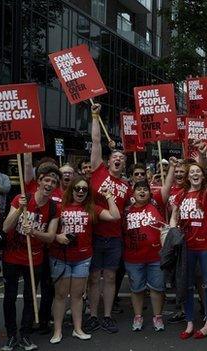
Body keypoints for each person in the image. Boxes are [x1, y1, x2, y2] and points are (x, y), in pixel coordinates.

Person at [49, 176, 120, 344]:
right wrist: (57, 236)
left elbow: (115, 216)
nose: (80, 191)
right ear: (71, 189)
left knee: (77, 295)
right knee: (60, 295)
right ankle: (57, 331)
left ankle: (78, 328)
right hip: (61, 256)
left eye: (84, 189)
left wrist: (109, 196)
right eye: (77, 188)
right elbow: (48, 231)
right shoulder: (59, 207)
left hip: (82, 258)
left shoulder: (91, 208)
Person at [1, 164, 61, 351]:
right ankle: (11, 335)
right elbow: (5, 227)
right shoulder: (21, 198)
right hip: (12, 257)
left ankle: (25, 334)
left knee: (30, 297)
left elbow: (51, 236)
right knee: (9, 297)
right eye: (47, 180)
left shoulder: (54, 208)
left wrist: (33, 231)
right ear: (39, 181)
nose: (50, 184)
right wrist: (20, 209)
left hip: (34, 258)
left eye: (53, 182)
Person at [85, 103, 132, 334]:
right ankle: (93, 315)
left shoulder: (126, 186)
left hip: (114, 238)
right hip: (93, 235)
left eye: (121, 158)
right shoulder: (98, 171)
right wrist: (95, 116)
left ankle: (106, 315)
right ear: (108, 160)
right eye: (115, 156)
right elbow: (96, 142)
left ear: (124, 164)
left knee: (111, 278)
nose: (118, 159)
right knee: (94, 278)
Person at [170, 153, 207, 340]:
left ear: (203, 175)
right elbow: (174, 215)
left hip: (206, 246)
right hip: (187, 246)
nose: (195, 174)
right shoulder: (181, 195)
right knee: (187, 285)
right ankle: (190, 322)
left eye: (199, 172)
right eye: (192, 172)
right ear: (188, 176)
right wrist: (173, 230)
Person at [124, 181, 166, 333]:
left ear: (150, 193)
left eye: (145, 189)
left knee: (157, 288)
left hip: (155, 257)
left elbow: (166, 188)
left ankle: (158, 316)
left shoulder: (157, 206)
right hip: (133, 258)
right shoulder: (126, 211)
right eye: (138, 189)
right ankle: (138, 316)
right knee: (136, 289)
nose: (142, 192)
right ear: (133, 194)